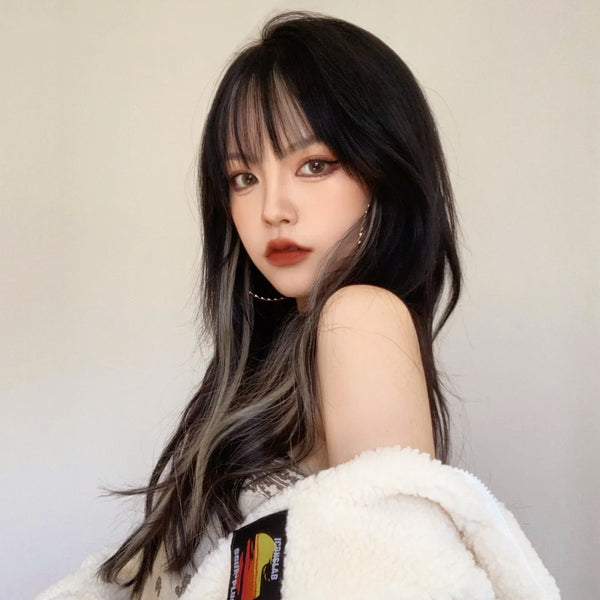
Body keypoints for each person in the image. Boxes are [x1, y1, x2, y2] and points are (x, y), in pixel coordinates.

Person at [37, 10, 560, 600]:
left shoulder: (359, 316)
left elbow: (392, 574)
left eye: (314, 165)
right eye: (243, 177)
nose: (272, 210)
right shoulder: (279, 352)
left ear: (385, 174)